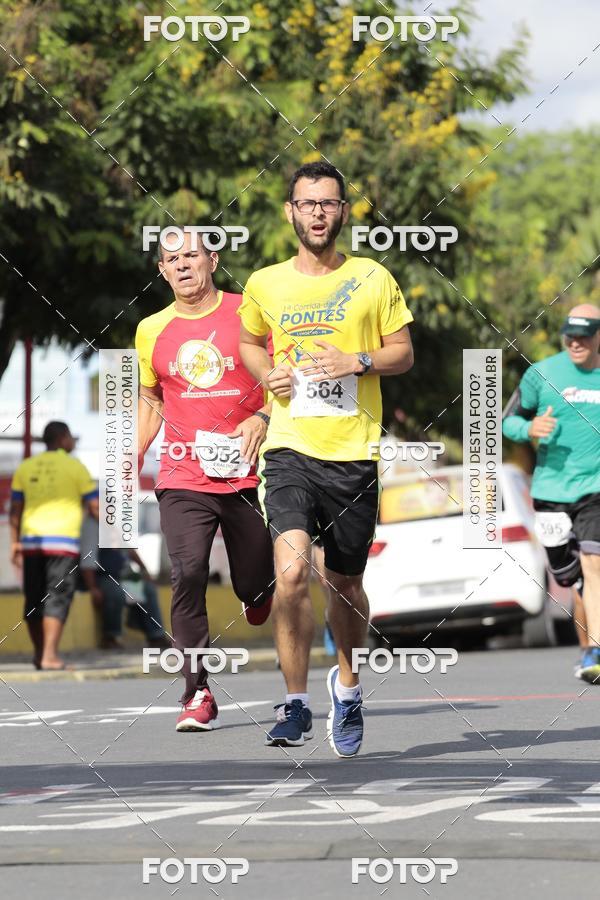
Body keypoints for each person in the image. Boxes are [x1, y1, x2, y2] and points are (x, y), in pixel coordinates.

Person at [239, 161, 414, 755]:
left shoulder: (372, 277)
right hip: (289, 448)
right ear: (290, 212)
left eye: (328, 203)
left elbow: (402, 353)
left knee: (344, 584)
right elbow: (247, 341)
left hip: (353, 454)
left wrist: (355, 361)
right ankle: (294, 704)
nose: (318, 212)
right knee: (290, 574)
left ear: (343, 211)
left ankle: (348, 685)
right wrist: (269, 376)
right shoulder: (265, 283)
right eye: (307, 203)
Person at [135, 230, 275, 732]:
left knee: (253, 582)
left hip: (249, 473)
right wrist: (132, 450)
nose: (182, 265)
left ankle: (258, 596)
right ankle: (196, 693)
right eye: (171, 259)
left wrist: (263, 418)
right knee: (187, 572)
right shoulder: (151, 328)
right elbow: (152, 398)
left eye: (191, 255)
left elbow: (285, 379)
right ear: (162, 271)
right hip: (182, 474)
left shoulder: (249, 312)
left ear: (213, 259)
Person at [503, 304, 600, 683]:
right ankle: (578, 586)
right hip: (550, 491)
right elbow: (507, 420)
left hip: (595, 488)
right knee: (567, 574)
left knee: (595, 565)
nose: (576, 342)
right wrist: (528, 430)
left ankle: (594, 648)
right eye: (570, 336)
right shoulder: (541, 373)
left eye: (584, 335)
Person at [9, 421, 99, 670]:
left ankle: (40, 654)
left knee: (34, 599)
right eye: (71, 437)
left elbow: (15, 509)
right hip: (63, 543)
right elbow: (95, 506)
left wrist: (14, 543)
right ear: (61, 438)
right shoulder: (76, 466)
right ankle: (49, 656)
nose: (72, 442)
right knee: (57, 598)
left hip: (31, 544)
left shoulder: (25, 467)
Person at [79, 515, 169, 650]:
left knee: (147, 589)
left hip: (120, 574)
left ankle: (156, 636)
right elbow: (87, 560)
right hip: (100, 576)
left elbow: (128, 549)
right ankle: (110, 637)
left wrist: (144, 571)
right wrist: (92, 588)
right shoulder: (90, 526)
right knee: (116, 592)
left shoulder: (109, 523)